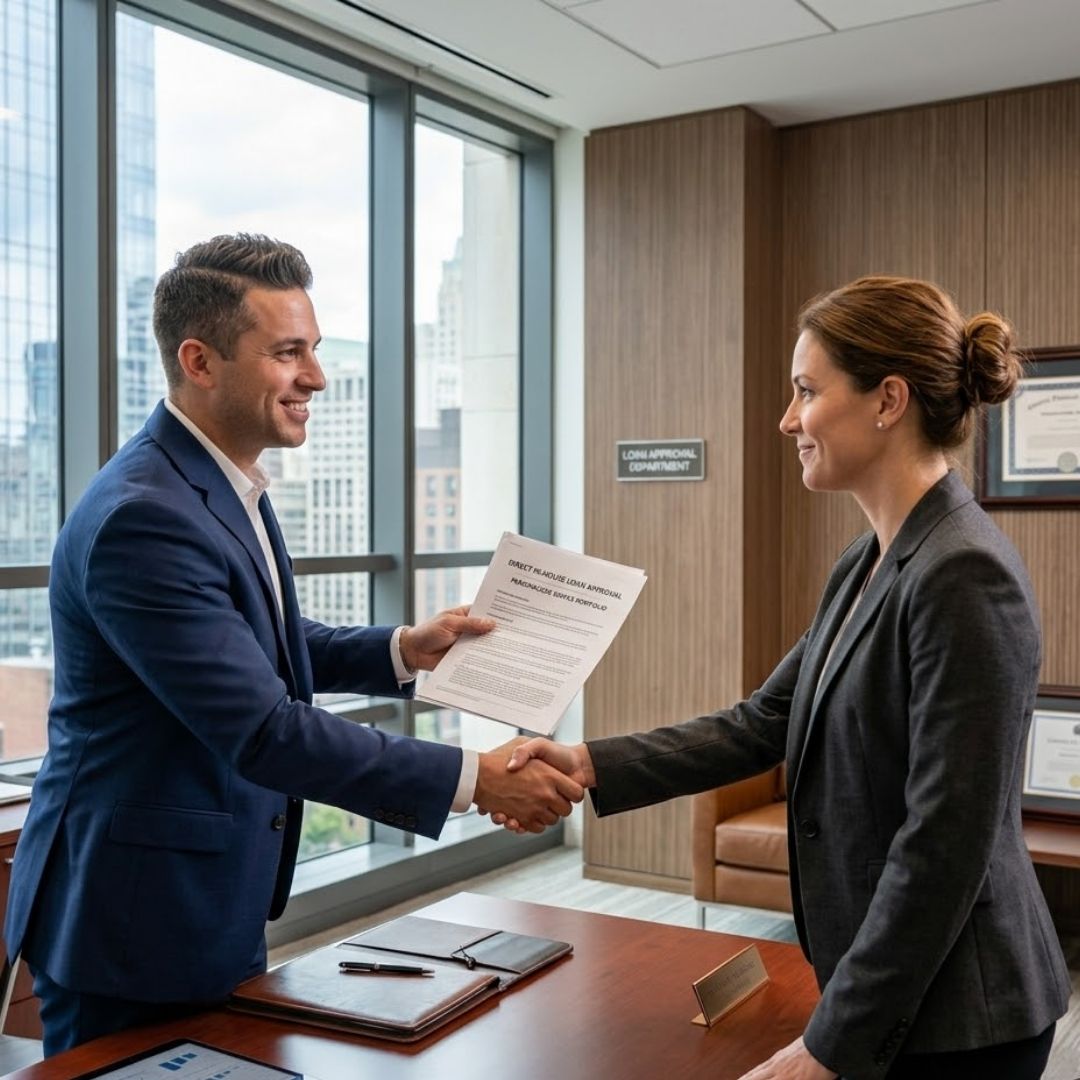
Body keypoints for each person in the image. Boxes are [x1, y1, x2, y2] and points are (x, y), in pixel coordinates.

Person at [4, 233, 583, 1056]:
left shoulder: (220, 480)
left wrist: (400, 650)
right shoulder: (145, 516)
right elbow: (264, 728)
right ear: (200, 362)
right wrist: (474, 777)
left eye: (311, 349)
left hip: (203, 894)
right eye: (288, 353)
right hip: (133, 917)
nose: (315, 376)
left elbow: (260, 642)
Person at [500, 276, 1071, 1079]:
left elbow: (943, 845)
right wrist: (589, 763)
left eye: (806, 391)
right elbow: (765, 720)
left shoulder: (963, 573)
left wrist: (829, 1047)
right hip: (900, 995)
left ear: (888, 400)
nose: (787, 420)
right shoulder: (870, 558)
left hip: (961, 1017)